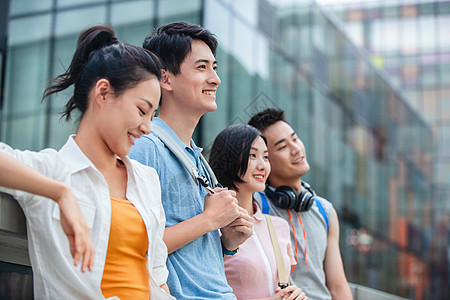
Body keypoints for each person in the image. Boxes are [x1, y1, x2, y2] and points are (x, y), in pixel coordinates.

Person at [0, 25, 174, 299]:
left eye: (152, 115)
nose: (147, 128)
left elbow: (157, 275)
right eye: (142, 110)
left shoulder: (146, 179)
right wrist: (59, 192)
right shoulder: (55, 171)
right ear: (103, 93)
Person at [129, 22, 253, 299]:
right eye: (202, 68)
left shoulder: (198, 159)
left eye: (215, 68)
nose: (215, 79)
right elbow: (134, 247)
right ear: (166, 79)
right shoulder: (145, 148)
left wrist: (227, 242)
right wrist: (209, 219)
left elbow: (191, 254)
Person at [248, 109, 353, 300]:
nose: (296, 149)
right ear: (265, 160)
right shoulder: (253, 207)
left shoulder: (325, 211)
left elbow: (338, 286)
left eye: (294, 139)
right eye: (282, 147)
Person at [209, 124, 308, 300]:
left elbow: (279, 284)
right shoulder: (211, 227)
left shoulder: (278, 226)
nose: (263, 165)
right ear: (229, 159)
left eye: (266, 157)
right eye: (252, 155)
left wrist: (294, 295)